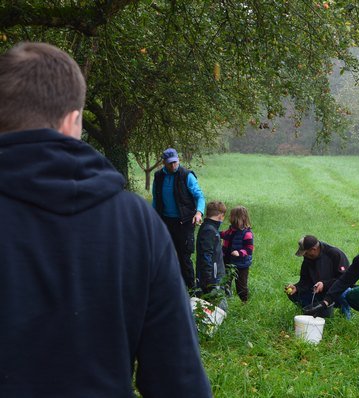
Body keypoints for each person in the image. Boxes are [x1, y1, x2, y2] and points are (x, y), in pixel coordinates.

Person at [0, 42, 211, 396]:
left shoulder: (165, 195)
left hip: (180, 223)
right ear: (73, 120)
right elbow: (180, 382)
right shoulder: (137, 224)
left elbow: (197, 194)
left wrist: (195, 212)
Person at [152, 147, 205, 289]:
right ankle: (168, 288)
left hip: (184, 222)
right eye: (170, 163)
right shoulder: (158, 177)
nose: (173, 165)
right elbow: (155, 200)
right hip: (165, 221)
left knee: (183, 256)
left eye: (175, 162)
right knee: (164, 256)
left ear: (178, 160)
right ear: (163, 162)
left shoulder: (187, 175)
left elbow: (199, 196)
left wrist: (199, 212)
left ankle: (191, 289)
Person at [284, 235, 350, 318]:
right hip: (318, 291)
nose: (304, 256)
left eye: (306, 253)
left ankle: (346, 315)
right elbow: (305, 281)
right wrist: (296, 287)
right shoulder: (308, 259)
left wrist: (324, 284)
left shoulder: (334, 254)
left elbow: (345, 279)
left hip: (335, 289)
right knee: (294, 294)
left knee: (345, 291)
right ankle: (314, 312)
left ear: (313, 249)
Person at [221, 206, 254, 302]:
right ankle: (227, 299)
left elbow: (249, 249)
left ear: (243, 219)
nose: (232, 221)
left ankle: (244, 301)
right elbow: (225, 234)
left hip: (241, 265)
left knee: (241, 285)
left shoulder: (247, 233)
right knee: (226, 282)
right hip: (227, 261)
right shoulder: (231, 229)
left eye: (235, 219)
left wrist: (239, 253)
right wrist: (216, 233)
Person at [196, 201, 227, 295]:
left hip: (214, 274)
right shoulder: (209, 230)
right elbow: (206, 255)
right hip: (212, 278)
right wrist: (209, 279)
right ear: (220, 216)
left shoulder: (210, 228)